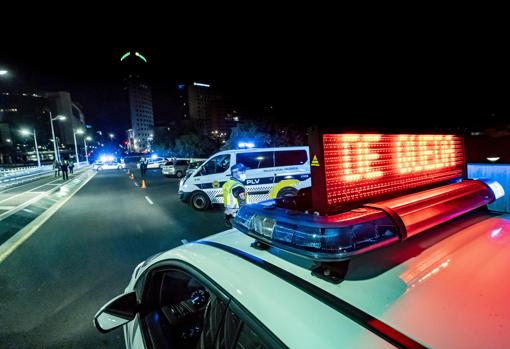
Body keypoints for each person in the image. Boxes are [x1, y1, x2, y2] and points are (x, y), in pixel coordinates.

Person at [222, 163, 249, 227]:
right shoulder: (238, 187)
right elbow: (242, 205)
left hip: (229, 214)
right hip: (237, 215)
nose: (244, 173)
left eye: (244, 171)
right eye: (241, 172)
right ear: (234, 172)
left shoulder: (228, 183)